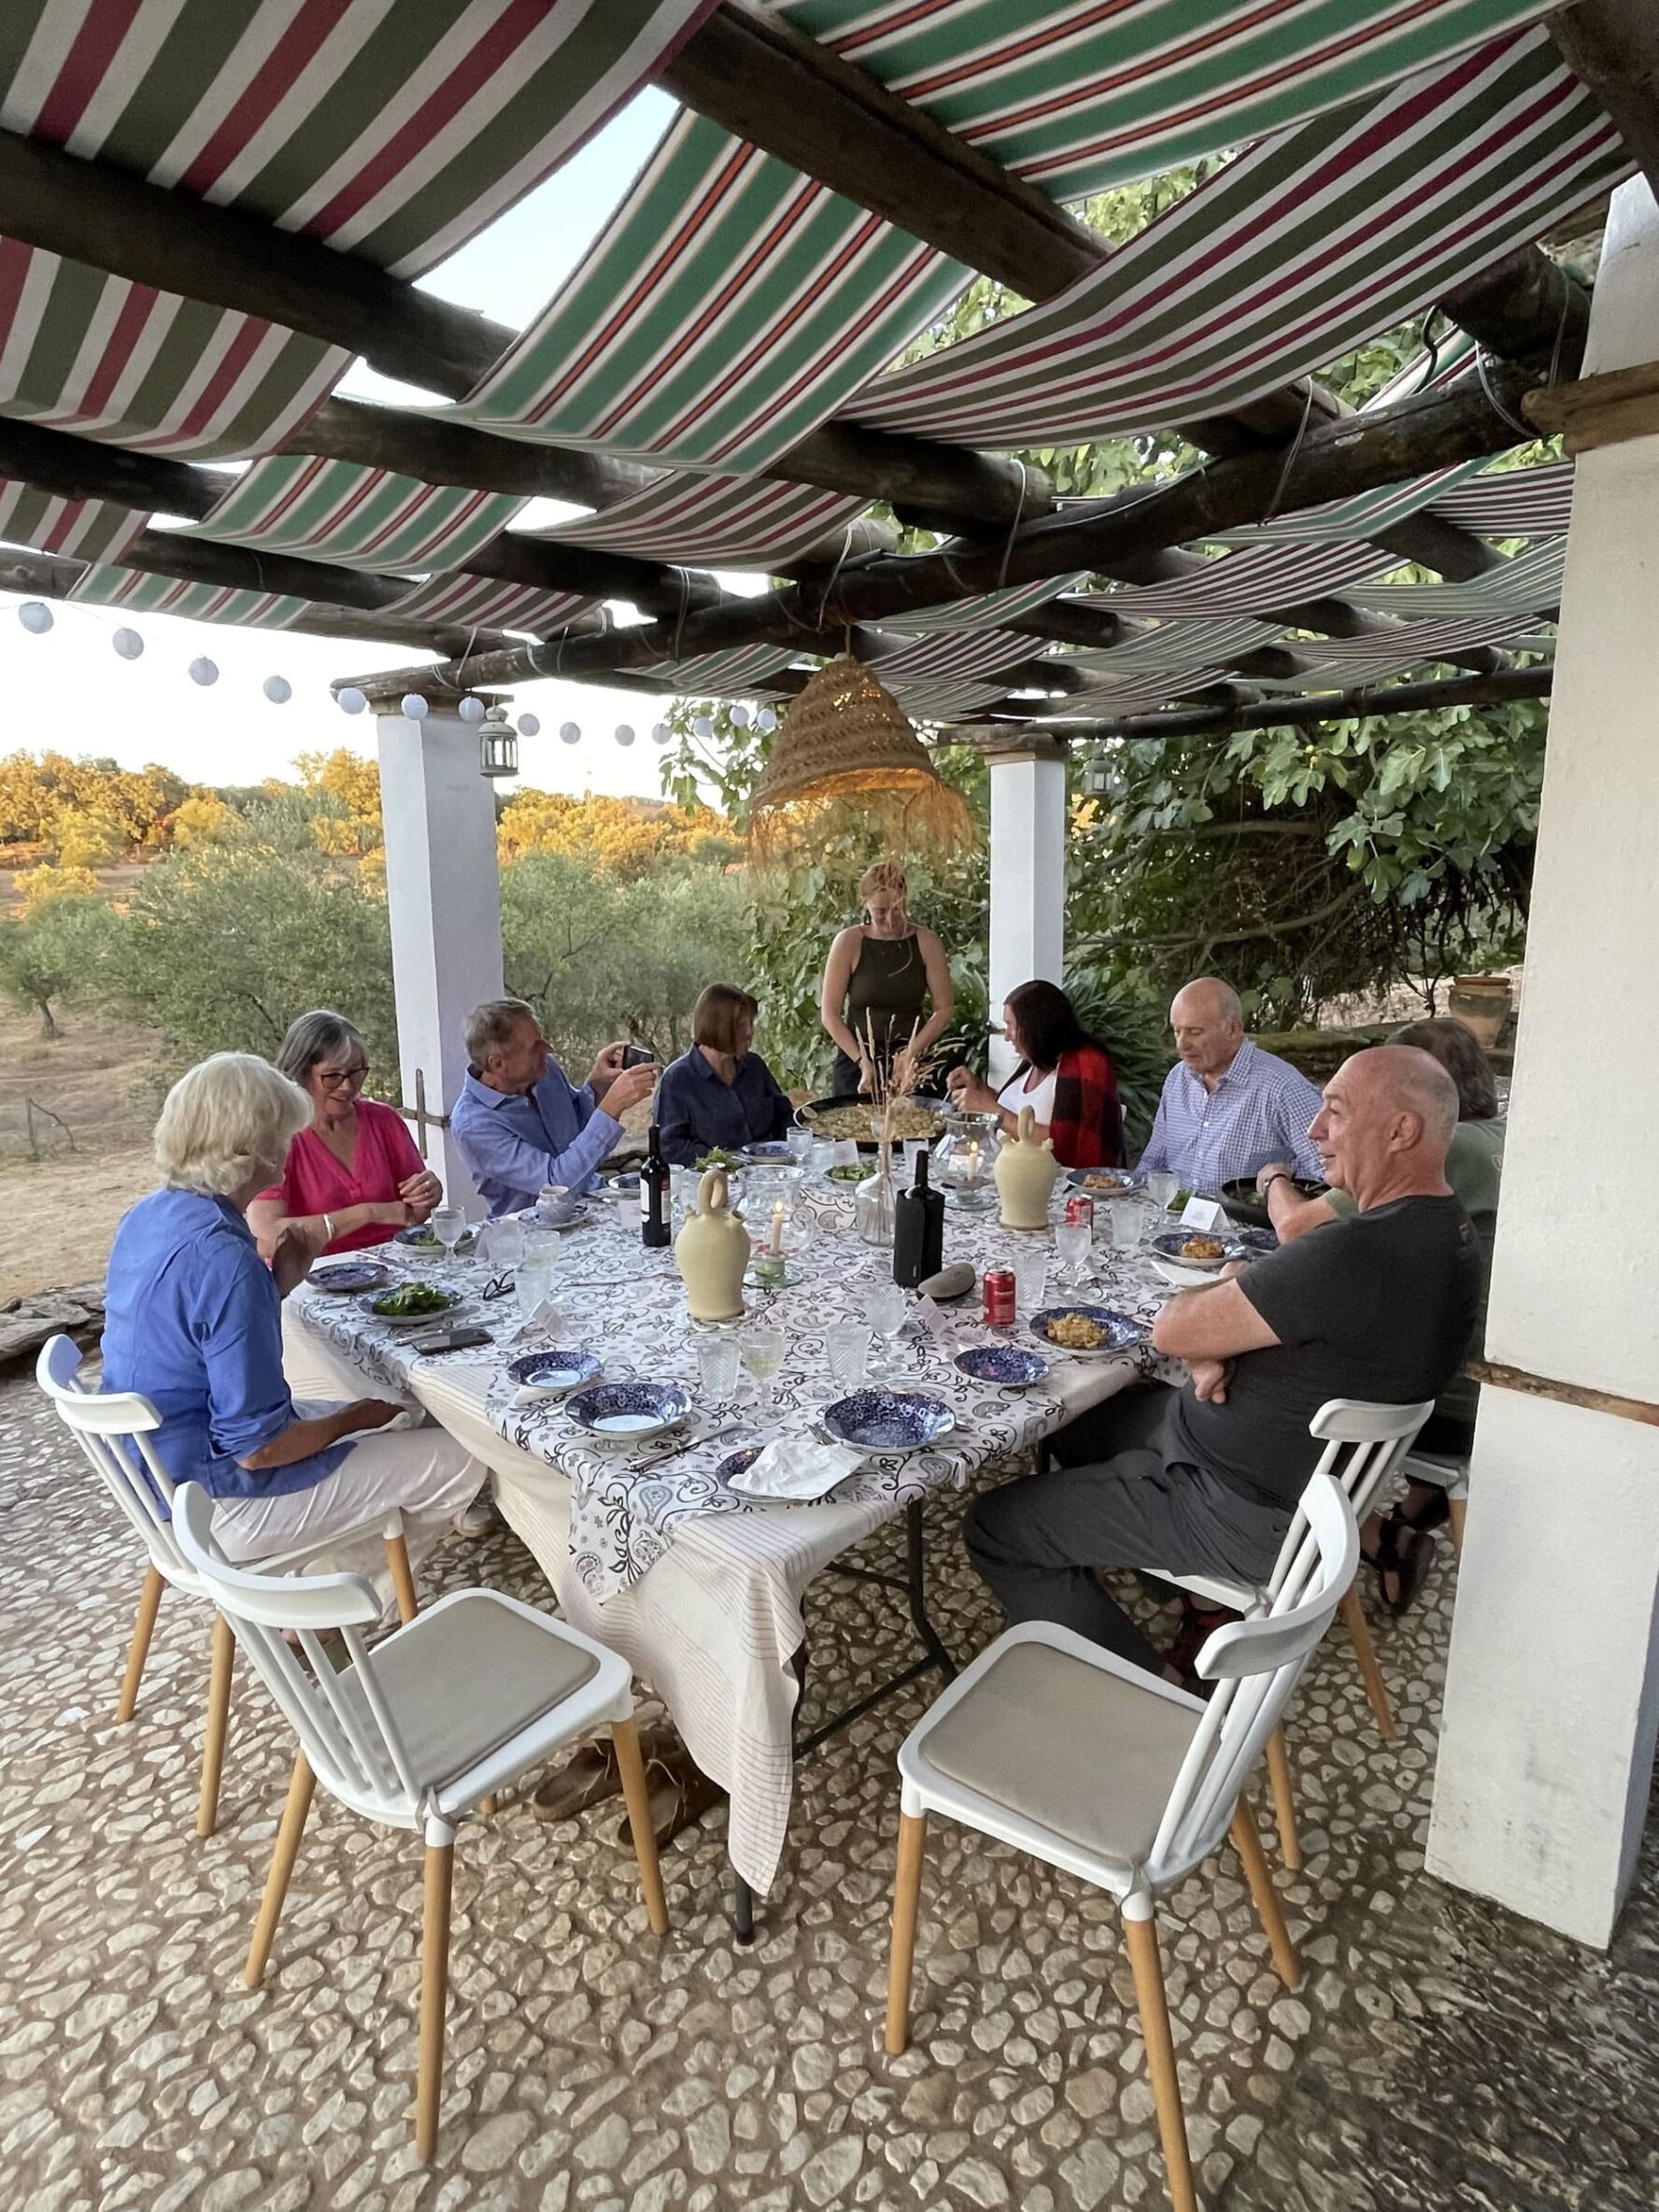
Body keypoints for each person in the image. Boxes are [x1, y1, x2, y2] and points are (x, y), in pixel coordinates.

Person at [964, 1046, 1481, 1681]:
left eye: (1336, 1113)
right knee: (1074, 1410)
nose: (1316, 1131)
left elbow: (1173, 1326)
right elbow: (1288, 1324)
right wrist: (1221, 1337)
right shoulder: (1448, 1234)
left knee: (995, 1526)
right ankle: (1174, 1586)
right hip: (1272, 1472)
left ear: (1401, 1131)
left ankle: (1150, 1690)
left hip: (1238, 1506)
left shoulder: (1355, 1251)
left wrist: (1215, 1326)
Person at [100, 1053, 486, 1568]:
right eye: (282, 1133)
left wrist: (278, 1282)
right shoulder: (224, 1256)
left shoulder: (151, 1214)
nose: (291, 1144)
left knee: (403, 1415)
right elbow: (259, 1449)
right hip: (211, 1499)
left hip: (151, 1468)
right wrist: (349, 1419)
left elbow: (202, 1331)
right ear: (251, 1148)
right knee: (460, 1460)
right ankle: (328, 1607)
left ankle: (319, 1579)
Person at [1254, 1014, 1504, 1609]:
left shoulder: (1450, 1148)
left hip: (1449, 1397)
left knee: (1274, 1398)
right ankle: (1401, 1521)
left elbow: (1294, 1228)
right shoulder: (1494, 1134)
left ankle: (1361, 1535)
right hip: (1476, 1369)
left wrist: (1273, 1179)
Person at [246, 1010, 441, 1257]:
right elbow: (266, 1237)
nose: (348, 1086)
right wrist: (366, 1213)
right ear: (301, 1073)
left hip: (394, 1266)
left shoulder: (384, 1120)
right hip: (314, 1276)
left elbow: (411, 1215)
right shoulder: (278, 1136)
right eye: (333, 1076)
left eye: (356, 1072)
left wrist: (428, 1194)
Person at [450, 998, 659, 1218]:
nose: (548, 1049)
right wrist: (612, 1107)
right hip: (532, 1234)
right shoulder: (473, 1125)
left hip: (590, 1209)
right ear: (498, 1064)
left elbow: (575, 1132)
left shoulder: (545, 1070)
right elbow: (557, 1185)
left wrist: (598, 1087)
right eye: (535, 1047)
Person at [1136, 975, 1325, 1189]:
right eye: (1177, 1031)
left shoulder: (1283, 1088)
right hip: (1170, 1217)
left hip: (1246, 1220)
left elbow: (1331, 1175)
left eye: (1194, 1032)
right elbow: (1153, 1163)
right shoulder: (1177, 1079)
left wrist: (1283, 1179)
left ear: (1233, 1029)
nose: (1181, 1044)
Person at [945, 979, 1124, 1167]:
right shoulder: (1037, 1061)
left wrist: (993, 1112)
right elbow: (1021, 1113)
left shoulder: (1086, 1064)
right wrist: (979, 1090)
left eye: (1011, 1025)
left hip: (1048, 1185)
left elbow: (1063, 1146)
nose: (1007, 1036)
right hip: (1005, 1171)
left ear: (1035, 1025)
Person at [819, 860, 954, 1098]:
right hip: (858, 1056)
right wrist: (862, 1062)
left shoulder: (927, 942)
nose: (891, 920)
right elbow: (830, 1015)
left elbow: (943, 1009)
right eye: (881, 912)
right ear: (865, 902)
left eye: (898, 909)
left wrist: (911, 1054)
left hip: (913, 1055)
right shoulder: (848, 942)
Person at [655, 984, 794, 1167]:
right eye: (741, 1025)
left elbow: (785, 1118)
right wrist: (733, 1159)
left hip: (773, 1175)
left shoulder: (754, 1066)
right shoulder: (677, 1080)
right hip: (712, 1182)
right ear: (716, 1027)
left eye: (750, 1023)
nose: (750, 1032)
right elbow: (670, 1148)